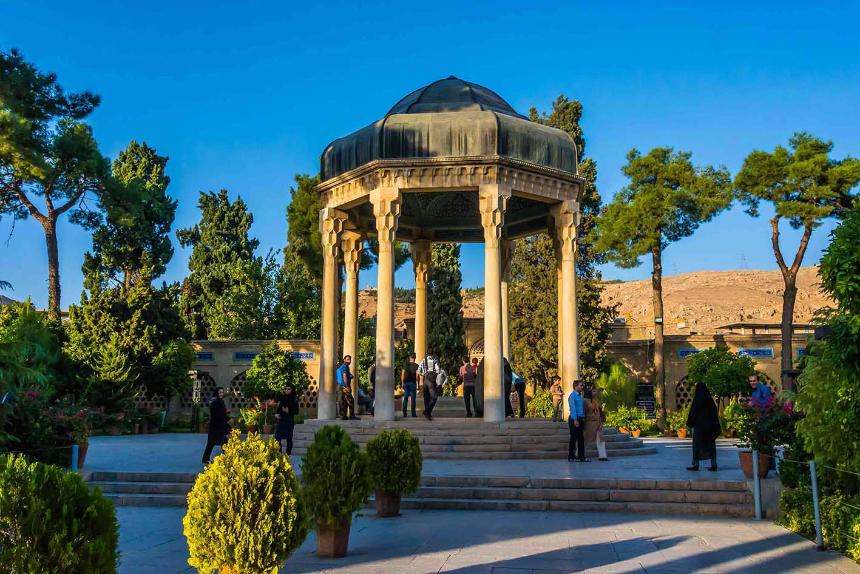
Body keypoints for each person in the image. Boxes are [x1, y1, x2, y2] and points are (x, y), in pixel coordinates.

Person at [686, 382, 721, 471]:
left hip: (699, 428)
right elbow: (714, 413)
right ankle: (714, 465)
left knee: (697, 445)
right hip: (710, 427)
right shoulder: (710, 401)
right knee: (711, 446)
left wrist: (690, 424)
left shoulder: (697, 400)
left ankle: (696, 465)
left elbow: (693, 412)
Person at [202, 387, 230, 464]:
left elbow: (222, 413)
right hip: (215, 426)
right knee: (212, 443)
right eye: (220, 392)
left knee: (223, 442)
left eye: (222, 392)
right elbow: (219, 414)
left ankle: (227, 458)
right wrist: (227, 418)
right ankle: (205, 459)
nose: (221, 394)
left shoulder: (221, 401)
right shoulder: (214, 402)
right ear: (217, 393)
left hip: (220, 425)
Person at [583, 384, 608, 461]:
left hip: (598, 422)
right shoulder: (585, 401)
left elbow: (599, 411)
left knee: (600, 439)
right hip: (590, 422)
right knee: (587, 439)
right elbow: (584, 412)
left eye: (596, 391)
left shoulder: (596, 400)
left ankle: (602, 456)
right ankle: (579, 453)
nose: (596, 392)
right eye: (593, 391)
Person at [567, 380, 588, 462]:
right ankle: (571, 456)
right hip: (574, 419)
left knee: (581, 439)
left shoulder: (580, 396)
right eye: (580, 385)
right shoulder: (572, 396)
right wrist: (575, 420)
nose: (582, 387)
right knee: (574, 438)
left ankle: (581, 456)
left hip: (580, 418)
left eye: (582, 385)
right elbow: (573, 408)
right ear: (575, 386)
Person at [274, 384, 298, 455]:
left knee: (289, 438)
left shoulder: (294, 400)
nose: (287, 390)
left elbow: (296, 411)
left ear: (292, 390)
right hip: (281, 421)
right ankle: (279, 452)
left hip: (289, 421)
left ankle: (288, 453)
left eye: (289, 389)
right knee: (277, 436)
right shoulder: (282, 399)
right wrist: (276, 415)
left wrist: (289, 411)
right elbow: (278, 410)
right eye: (286, 389)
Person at [418, 350, 442, 420]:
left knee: (426, 397)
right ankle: (427, 411)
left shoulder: (423, 361)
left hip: (425, 380)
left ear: (427, 354)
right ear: (432, 354)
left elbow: (419, 371)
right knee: (434, 397)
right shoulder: (435, 360)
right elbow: (438, 370)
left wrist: (425, 374)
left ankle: (427, 413)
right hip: (431, 381)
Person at [336, 355, 357, 420]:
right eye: (348, 359)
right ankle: (351, 415)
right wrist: (347, 386)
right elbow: (344, 375)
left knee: (344, 401)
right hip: (344, 386)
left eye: (350, 359)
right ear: (344, 360)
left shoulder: (345, 366)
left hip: (342, 386)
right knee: (350, 400)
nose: (349, 361)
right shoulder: (344, 366)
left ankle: (343, 416)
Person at [402, 353, 419, 418]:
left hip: (406, 383)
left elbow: (403, 374)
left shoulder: (405, 365)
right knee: (413, 399)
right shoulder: (416, 366)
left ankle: (404, 413)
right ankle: (413, 414)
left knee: (405, 398)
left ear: (410, 357)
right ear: (415, 358)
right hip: (413, 383)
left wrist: (402, 383)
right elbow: (417, 376)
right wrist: (418, 384)